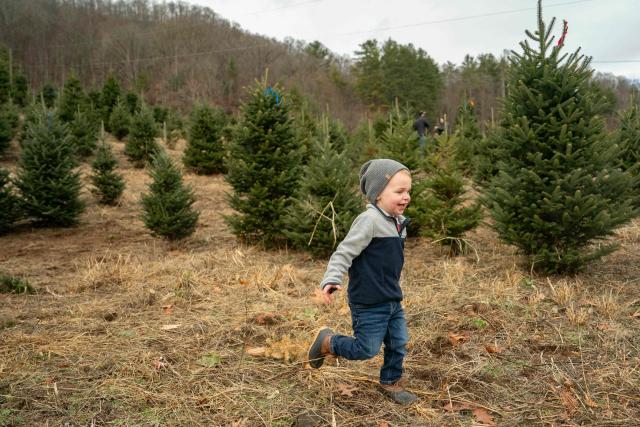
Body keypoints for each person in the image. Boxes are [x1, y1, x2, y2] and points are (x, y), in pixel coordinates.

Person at [306, 159, 418, 405]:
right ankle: (329, 341)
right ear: (377, 194)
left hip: (391, 299)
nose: (406, 197)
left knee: (398, 343)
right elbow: (344, 252)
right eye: (399, 191)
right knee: (365, 349)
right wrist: (332, 278)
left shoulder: (398, 223)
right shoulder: (369, 221)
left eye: (408, 191)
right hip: (368, 302)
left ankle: (391, 383)